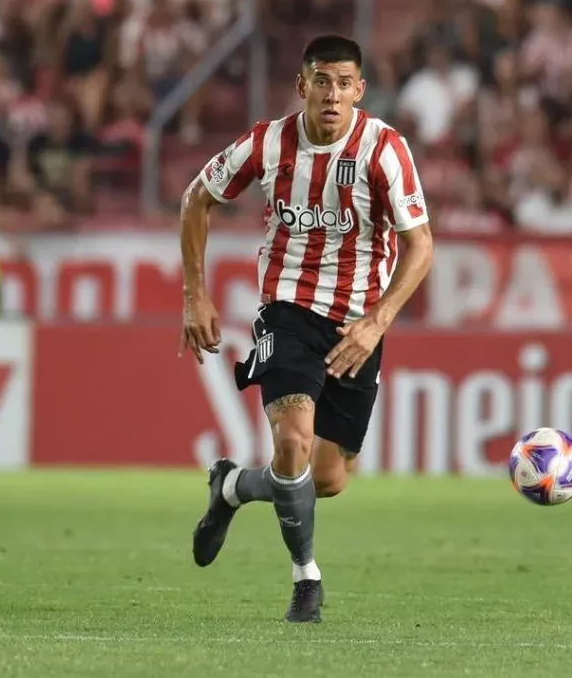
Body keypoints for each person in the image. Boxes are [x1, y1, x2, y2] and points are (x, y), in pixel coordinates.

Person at [179, 35, 434, 623]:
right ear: (302, 86)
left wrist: (377, 322)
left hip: (357, 326)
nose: (332, 94)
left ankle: (232, 487)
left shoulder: (384, 149)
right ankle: (306, 579)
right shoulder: (269, 143)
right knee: (291, 442)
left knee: (328, 478)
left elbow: (421, 246)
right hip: (287, 311)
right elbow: (197, 199)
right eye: (322, 81)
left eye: (345, 84)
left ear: (360, 91)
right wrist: (195, 293)